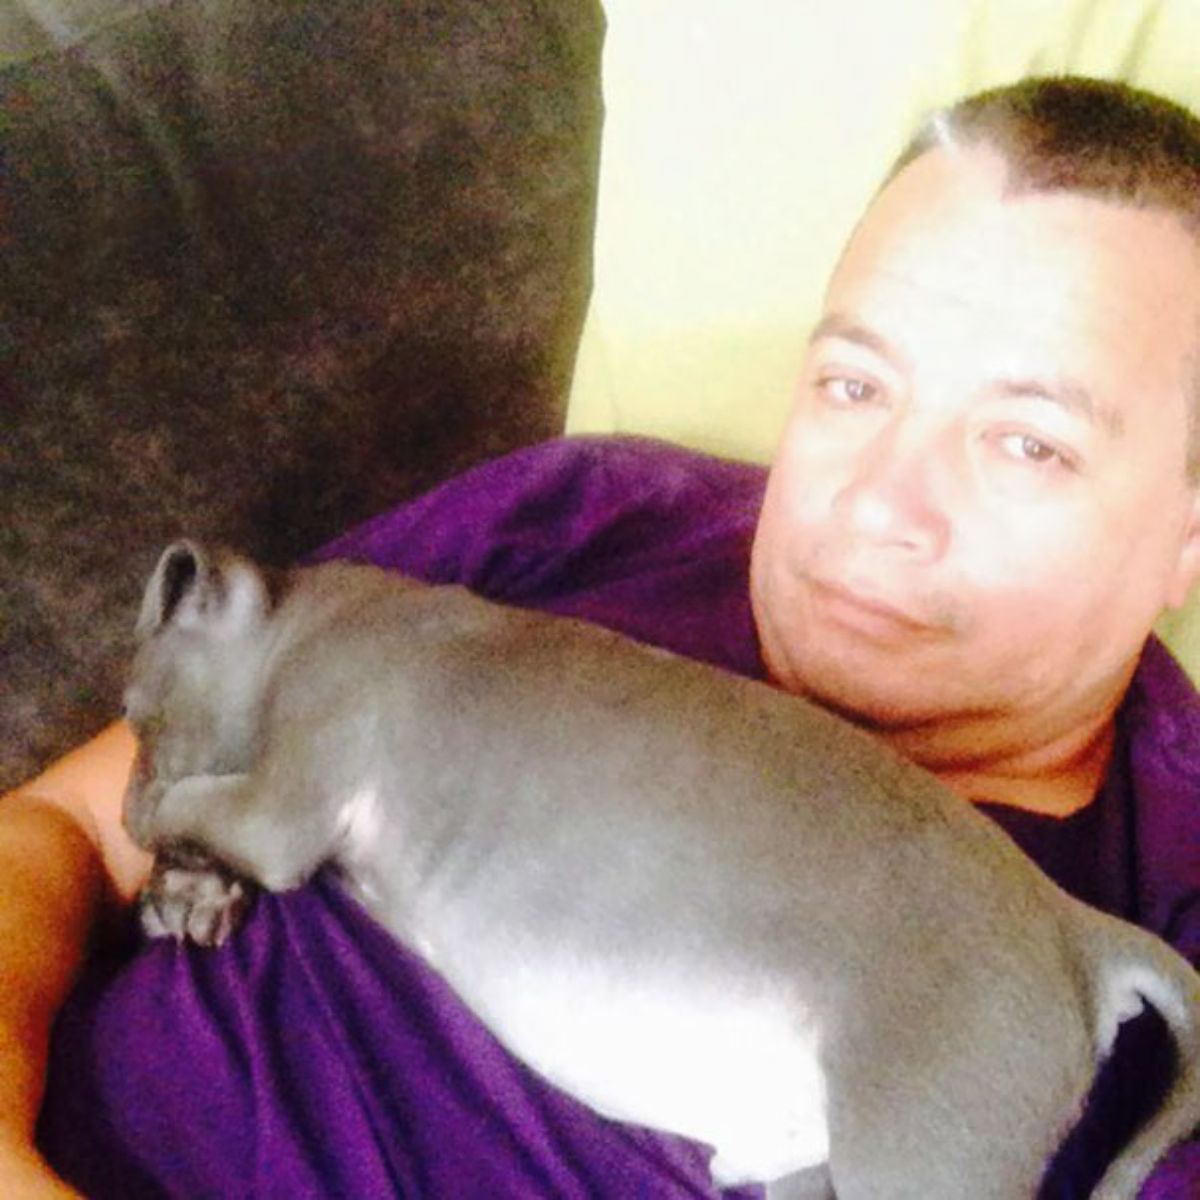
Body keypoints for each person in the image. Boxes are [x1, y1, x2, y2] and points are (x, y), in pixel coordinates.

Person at [4, 74, 1199, 1197]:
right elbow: (62, 825)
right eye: (855, 385)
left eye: (1030, 445)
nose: (880, 502)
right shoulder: (588, 514)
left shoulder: (1143, 950)